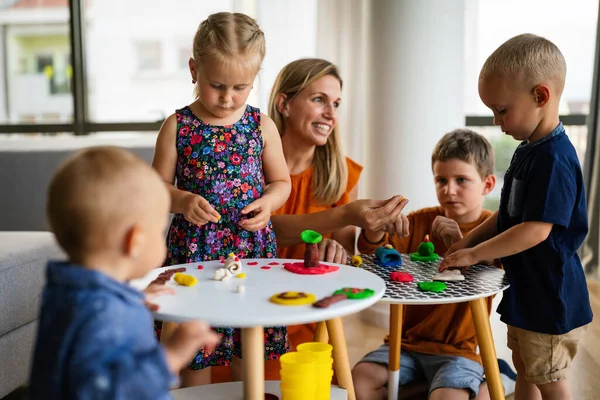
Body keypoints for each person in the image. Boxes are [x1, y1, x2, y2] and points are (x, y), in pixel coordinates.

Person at [440, 34, 592, 400]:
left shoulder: (554, 159)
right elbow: (509, 214)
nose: (496, 121)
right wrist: (468, 240)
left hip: (550, 298)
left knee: (550, 381)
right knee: (525, 370)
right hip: (527, 291)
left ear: (541, 96)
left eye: (502, 110)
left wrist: (475, 255)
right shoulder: (528, 150)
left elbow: (535, 230)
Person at [152, 12, 292, 386]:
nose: (228, 99)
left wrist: (269, 203)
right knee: (195, 351)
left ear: (255, 80)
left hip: (252, 248)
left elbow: (281, 182)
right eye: (217, 85)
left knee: (250, 346)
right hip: (195, 252)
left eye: (240, 87)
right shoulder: (177, 126)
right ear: (194, 69)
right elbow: (155, 189)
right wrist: (181, 201)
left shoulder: (261, 126)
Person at [29, 146, 219, 399]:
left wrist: (133, 297)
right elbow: (109, 390)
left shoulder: (67, 291)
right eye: (158, 232)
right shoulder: (105, 313)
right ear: (136, 241)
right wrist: (173, 353)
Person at [352, 129, 516, 400]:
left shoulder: (494, 230)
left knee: (448, 397)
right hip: (405, 345)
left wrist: (462, 242)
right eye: (441, 180)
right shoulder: (419, 221)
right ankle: (447, 384)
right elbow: (373, 254)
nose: (449, 190)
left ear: (487, 185)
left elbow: (495, 270)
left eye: (461, 180)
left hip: (458, 351)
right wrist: (375, 229)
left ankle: (493, 377)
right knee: (360, 380)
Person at [268, 58, 410, 351]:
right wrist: (346, 214)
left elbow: (348, 250)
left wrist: (371, 231)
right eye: (319, 100)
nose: (330, 114)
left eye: (336, 104)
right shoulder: (248, 165)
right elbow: (265, 231)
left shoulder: (342, 174)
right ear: (284, 104)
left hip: (310, 312)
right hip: (253, 304)